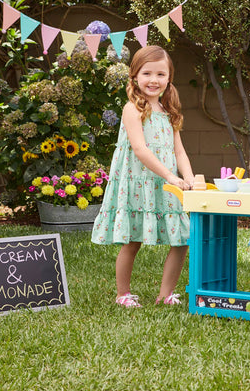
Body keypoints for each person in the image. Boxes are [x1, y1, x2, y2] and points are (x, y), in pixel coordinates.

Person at [91, 45, 194, 308]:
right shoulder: (131, 109)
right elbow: (140, 149)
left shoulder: (170, 112)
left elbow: (179, 150)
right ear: (135, 76)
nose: (153, 80)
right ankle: (123, 294)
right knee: (133, 239)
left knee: (182, 239)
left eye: (161, 74)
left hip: (166, 184)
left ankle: (165, 293)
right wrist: (170, 175)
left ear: (169, 78)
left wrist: (190, 177)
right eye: (147, 73)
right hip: (138, 184)